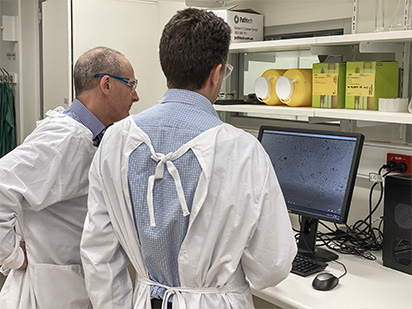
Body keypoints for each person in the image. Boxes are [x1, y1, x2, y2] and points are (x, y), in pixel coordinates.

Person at [80, 8, 297, 309]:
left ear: (166, 67)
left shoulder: (115, 140)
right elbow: (271, 267)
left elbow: (97, 252)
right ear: (217, 73)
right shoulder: (243, 151)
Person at [0, 46, 139, 308]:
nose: (136, 96)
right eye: (130, 85)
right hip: (47, 290)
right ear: (106, 85)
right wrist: (13, 256)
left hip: (66, 284)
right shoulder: (65, 138)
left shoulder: (89, 136)